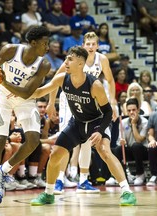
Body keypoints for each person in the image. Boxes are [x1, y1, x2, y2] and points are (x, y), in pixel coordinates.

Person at [29, 46, 136, 206]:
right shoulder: (62, 78)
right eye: (66, 58)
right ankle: (48, 193)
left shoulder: (95, 85)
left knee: (104, 151)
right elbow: (39, 92)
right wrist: (18, 92)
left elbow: (107, 112)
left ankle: (127, 191)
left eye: (70, 59)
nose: (65, 62)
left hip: (97, 121)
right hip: (78, 122)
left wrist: (100, 132)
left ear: (80, 64)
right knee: (56, 153)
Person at [0, 26, 51, 207]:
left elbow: (28, 91)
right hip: (2, 97)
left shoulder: (44, 64)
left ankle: (4, 171)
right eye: (45, 43)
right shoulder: (11, 50)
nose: (48, 47)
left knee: (33, 140)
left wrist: (3, 80)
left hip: (24, 98)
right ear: (33, 43)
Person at [48, 32, 117, 194]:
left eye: (94, 44)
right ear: (83, 45)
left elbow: (110, 80)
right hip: (69, 100)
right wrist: (51, 103)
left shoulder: (102, 60)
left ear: (98, 46)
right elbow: (57, 78)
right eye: (88, 44)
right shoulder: (76, 59)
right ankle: (59, 179)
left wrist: (112, 100)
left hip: (89, 103)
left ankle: (83, 180)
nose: (91, 47)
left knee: (87, 141)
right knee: (64, 139)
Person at [111, 98, 148, 186]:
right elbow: (120, 140)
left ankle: (140, 174)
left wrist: (133, 124)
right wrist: (122, 142)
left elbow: (139, 140)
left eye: (134, 110)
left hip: (143, 151)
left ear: (138, 110)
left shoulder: (145, 122)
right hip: (130, 150)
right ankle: (120, 176)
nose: (131, 112)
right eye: (129, 110)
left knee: (136, 146)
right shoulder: (122, 122)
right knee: (117, 149)